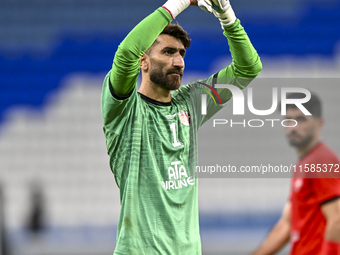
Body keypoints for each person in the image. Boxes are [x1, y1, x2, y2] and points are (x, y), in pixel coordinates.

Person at [101, 0, 262, 254]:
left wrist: (226, 15)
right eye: (168, 52)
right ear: (143, 61)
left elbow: (248, 68)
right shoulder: (124, 110)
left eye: (181, 54)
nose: (179, 62)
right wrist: (180, 2)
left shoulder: (190, 103)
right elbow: (125, 54)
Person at [251, 93, 340, 255]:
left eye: (301, 119)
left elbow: (337, 219)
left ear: (319, 123)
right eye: (288, 119)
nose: (293, 126)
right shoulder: (304, 164)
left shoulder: (321, 160)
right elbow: (286, 224)